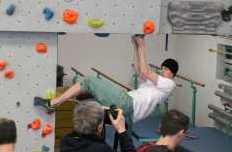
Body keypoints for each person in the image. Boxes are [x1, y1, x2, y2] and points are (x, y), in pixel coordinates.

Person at [34, 35, 178, 132]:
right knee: (87, 106)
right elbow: (140, 70)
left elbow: (146, 72)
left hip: (128, 104)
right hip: (128, 112)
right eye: (162, 68)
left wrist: (142, 45)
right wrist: (136, 46)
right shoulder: (158, 83)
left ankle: (52, 104)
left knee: (89, 81)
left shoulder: (169, 84)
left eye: (166, 69)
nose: (162, 70)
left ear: (172, 73)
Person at [60, 100, 136, 152]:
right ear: (100, 127)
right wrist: (122, 130)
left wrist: (93, 110)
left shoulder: (65, 140)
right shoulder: (101, 150)